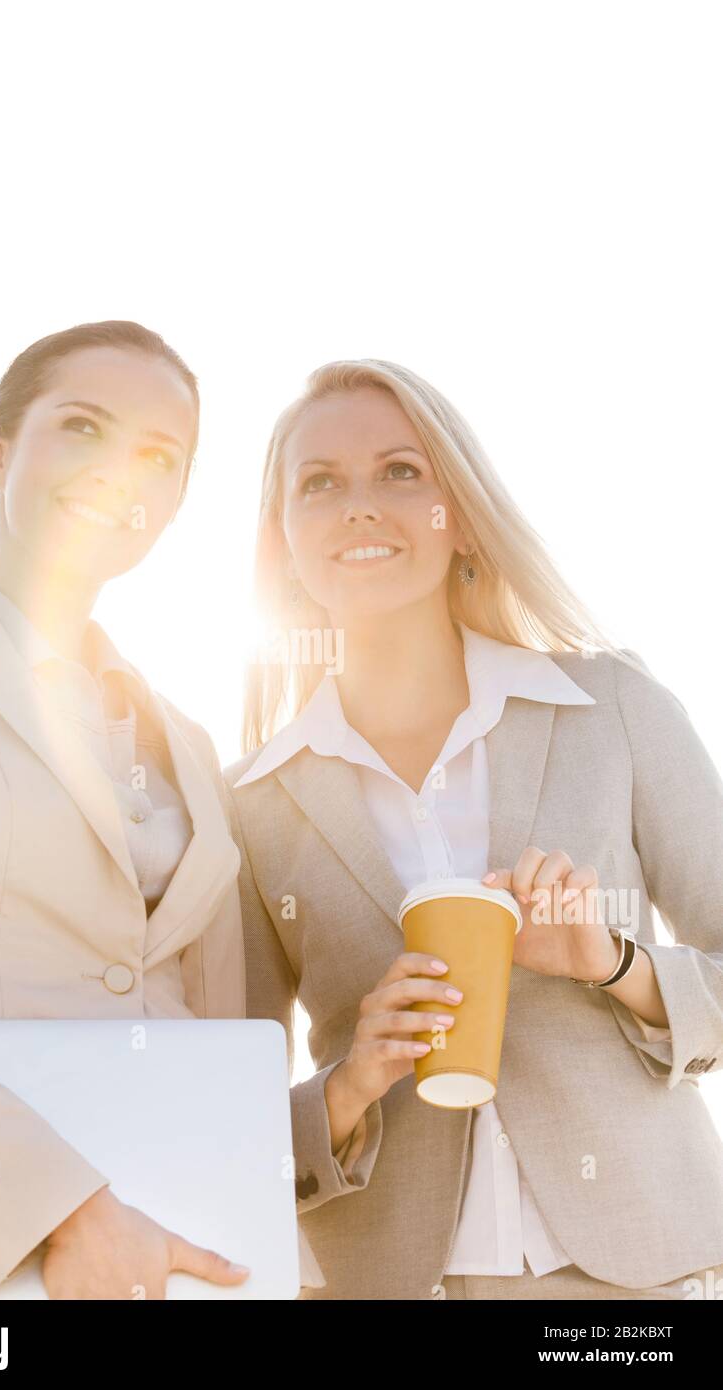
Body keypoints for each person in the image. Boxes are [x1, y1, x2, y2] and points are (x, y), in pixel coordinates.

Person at [224, 357, 723, 1300]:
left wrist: (614, 963)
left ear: (460, 513)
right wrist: (348, 1081)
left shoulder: (611, 707)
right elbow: (226, 1104)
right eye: (319, 483)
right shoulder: (251, 801)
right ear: (284, 541)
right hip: (384, 1279)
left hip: (632, 1284)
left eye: (400, 471)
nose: (359, 505)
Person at [0, 319, 251, 1300]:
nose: (121, 470)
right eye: (83, 426)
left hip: (166, 1244)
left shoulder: (190, 746)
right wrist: (58, 1205)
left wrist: (342, 1089)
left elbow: (218, 1042)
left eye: (160, 455)